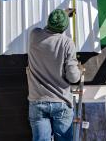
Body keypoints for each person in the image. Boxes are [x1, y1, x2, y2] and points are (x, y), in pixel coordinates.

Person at [27, 8, 81, 141]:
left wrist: (61, 14)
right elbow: (73, 78)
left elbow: (47, 30)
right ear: (64, 28)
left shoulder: (35, 35)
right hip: (61, 102)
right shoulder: (67, 42)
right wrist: (77, 69)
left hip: (38, 101)